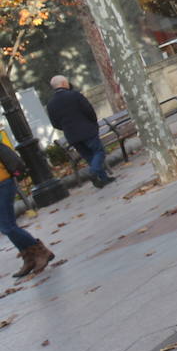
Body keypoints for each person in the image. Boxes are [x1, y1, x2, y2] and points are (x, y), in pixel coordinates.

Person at [45, 75, 113, 188]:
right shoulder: (74, 95)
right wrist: (92, 123)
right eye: (67, 82)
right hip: (87, 130)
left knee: (89, 157)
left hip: (72, 136)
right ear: (63, 83)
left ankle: (103, 179)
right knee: (99, 151)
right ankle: (94, 171)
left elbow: (55, 124)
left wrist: (67, 128)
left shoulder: (50, 104)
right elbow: (89, 110)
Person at [2, 142, 54, 279]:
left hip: (3, 183)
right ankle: (29, 257)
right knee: (5, 226)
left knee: (7, 226)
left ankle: (41, 252)